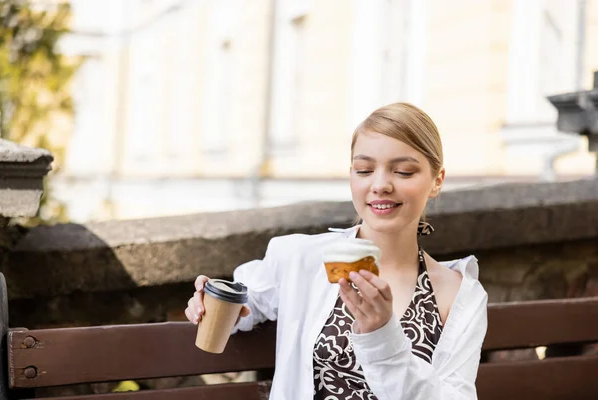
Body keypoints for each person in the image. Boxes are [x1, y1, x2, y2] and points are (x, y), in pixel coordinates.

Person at [185, 102, 488, 400]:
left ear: (437, 180)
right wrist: (213, 301)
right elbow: (249, 298)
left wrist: (382, 336)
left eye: (404, 172)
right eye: (364, 169)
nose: (380, 185)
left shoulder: (460, 296)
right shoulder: (303, 259)